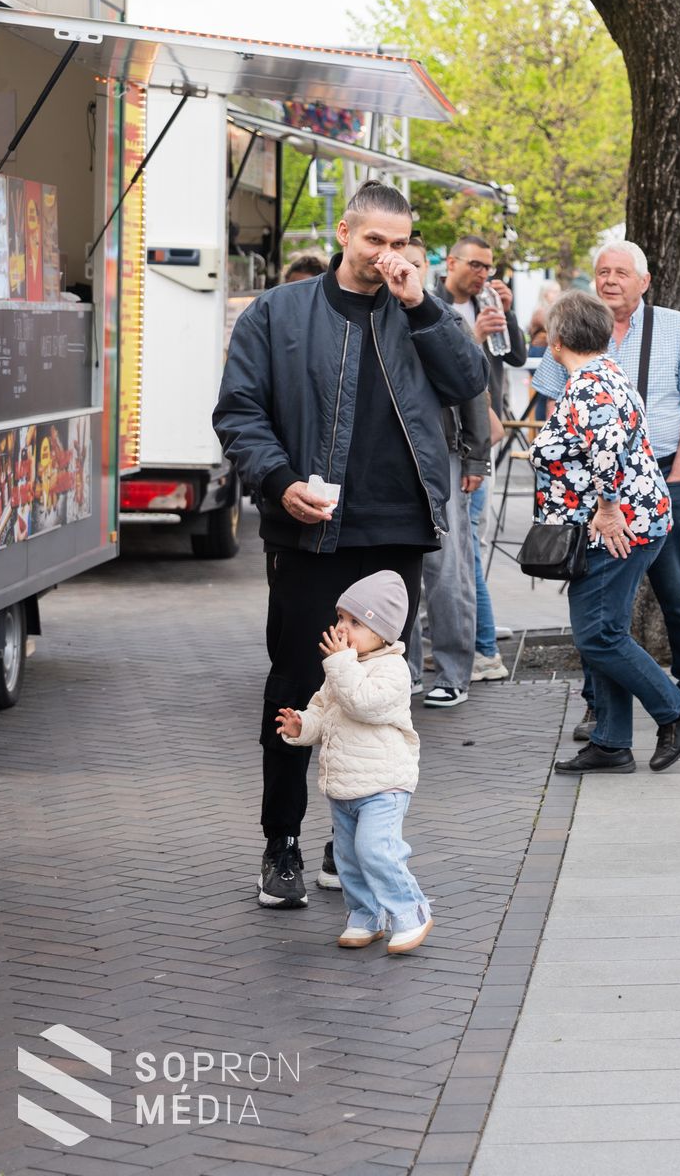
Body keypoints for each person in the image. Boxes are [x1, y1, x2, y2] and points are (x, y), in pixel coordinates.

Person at [214, 180, 487, 910]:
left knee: (375, 696)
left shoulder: (421, 313)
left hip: (396, 530)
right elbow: (239, 411)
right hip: (311, 530)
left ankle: (351, 842)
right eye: (375, 241)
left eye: (400, 244)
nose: (388, 257)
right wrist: (275, 481)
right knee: (299, 684)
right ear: (344, 233)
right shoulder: (278, 314)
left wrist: (422, 304)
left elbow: (470, 383)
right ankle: (281, 843)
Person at [533, 241, 680, 741]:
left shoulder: (673, 327)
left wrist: (674, 477)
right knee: (604, 620)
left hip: (636, 489)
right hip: (609, 497)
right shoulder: (585, 336)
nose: (610, 279)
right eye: (602, 271)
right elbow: (559, 410)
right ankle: (606, 723)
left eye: (620, 272)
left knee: (671, 596)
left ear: (644, 280)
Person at [274, 571, 434, 954]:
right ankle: (365, 915)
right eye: (340, 618)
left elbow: (364, 704)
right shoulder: (340, 669)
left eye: (355, 622)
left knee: (376, 850)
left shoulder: (392, 669)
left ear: (383, 632)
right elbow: (324, 712)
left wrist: (341, 664)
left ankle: (411, 912)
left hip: (384, 784)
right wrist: (301, 725)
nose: (342, 628)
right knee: (347, 859)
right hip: (344, 785)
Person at [397, 238, 489, 710]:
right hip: (392, 461)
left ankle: (454, 671)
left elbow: (474, 391)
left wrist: (474, 458)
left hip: (442, 456)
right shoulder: (377, 316)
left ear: (426, 268)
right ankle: (407, 668)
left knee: (447, 568)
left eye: (412, 262)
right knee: (398, 568)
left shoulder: (443, 318)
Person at [439, 234, 525, 685]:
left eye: (488, 268)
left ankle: (484, 647)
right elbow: (440, 363)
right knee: (456, 547)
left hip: (477, 440)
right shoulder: (432, 303)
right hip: (451, 435)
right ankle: (462, 639)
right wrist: (471, 337)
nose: (482, 275)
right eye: (475, 265)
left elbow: (517, 355)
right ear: (450, 263)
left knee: (467, 545)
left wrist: (507, 314)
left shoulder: (489, 300)